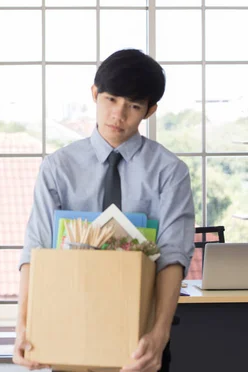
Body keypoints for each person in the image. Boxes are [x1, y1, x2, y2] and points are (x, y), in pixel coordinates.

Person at [13, 49, 195, 372]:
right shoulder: (58, 169)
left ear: (150, 111)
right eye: (110, 100)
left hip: (141, 339)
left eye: (134, 106)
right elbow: (36, 250)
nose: (118, 116)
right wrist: (23, 326)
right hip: (69, 330)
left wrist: (159, 335)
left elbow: (173, 256)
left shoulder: (170, 172)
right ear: (95, 94)